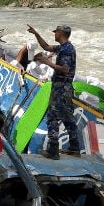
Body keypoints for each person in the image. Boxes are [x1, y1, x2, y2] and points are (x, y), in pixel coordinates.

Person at [27, 24, 80, 159]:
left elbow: (65, 69)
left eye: (56, 32)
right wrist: (36, 33)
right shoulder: (64, 47)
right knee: (67, 117)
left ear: (61, 33)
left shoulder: (67, 49)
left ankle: (53, 150)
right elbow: (47, 47)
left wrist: (46, 62)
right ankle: (74, 147)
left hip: (61, 87)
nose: (54, 34)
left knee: (53, 117)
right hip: (65, 87)